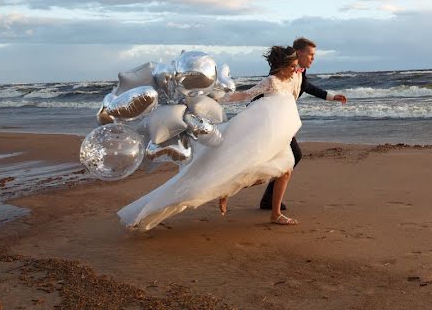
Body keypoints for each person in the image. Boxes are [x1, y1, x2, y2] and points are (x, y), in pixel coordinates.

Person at [117, 46, 305, 230]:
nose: (295, 69)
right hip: (262, 132)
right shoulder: (271, 81)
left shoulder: (293, 78)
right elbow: (244, 95)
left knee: (284, 170)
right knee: (256, 169)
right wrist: (217, 98)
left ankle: (274, 213)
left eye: (296, 66)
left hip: (278, 134)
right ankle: (226, 192)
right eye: (292, 66)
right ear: (281, 66)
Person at [259, 37, 347, 211]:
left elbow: (306, 86)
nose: (313, 58)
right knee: (289, 156)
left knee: (289, 157)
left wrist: (330, 96)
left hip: (282, 120)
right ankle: (267, 198)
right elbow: (266, 90)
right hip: (270, 119)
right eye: (311, 54)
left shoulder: (300, 71)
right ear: (299, 53)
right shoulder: (281, 71)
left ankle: (269, 199)